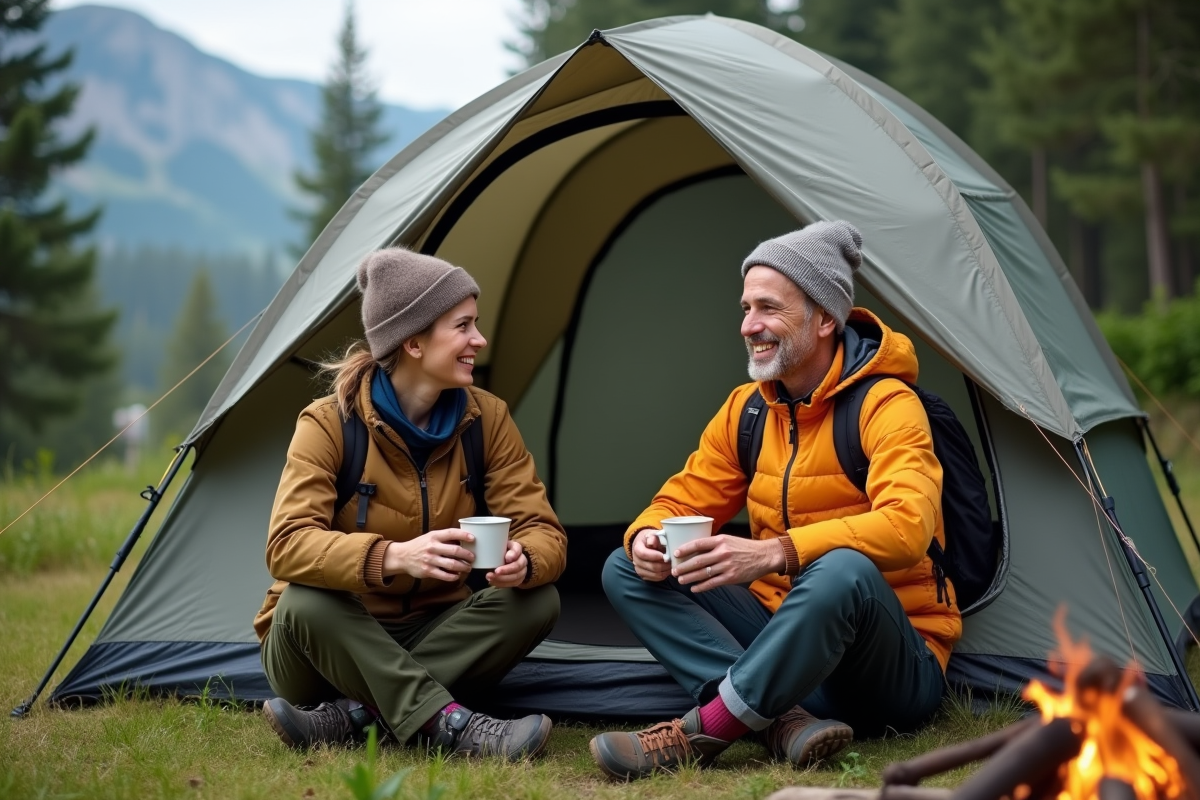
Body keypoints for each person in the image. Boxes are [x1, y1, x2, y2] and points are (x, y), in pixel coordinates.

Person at [590, 222, 961, 780]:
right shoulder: (748, 410)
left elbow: (908, 528)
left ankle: (706, 729)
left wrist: (774, 553)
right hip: (786, 645)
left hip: (891, 669)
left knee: (842, 570)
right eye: (745, 308)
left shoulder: (887, 404)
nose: (749, 326)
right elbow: (685, 495)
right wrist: (649, 535)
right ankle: (780, 718)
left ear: (825, 319)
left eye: (768, 308)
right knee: (624, 566)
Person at [254, 247, 567, 760]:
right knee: (304, 600)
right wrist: (392, 557)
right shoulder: (328, 422)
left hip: (434, 626)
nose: (479, 341)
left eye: (477, 324)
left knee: (538, 598)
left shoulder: (487, 419)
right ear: (414, 342)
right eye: (463, 326)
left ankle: (355, 716)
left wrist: (524, 560)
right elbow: (287, 546)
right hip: (325, 649)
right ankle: (456, 727)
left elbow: (544, 532)